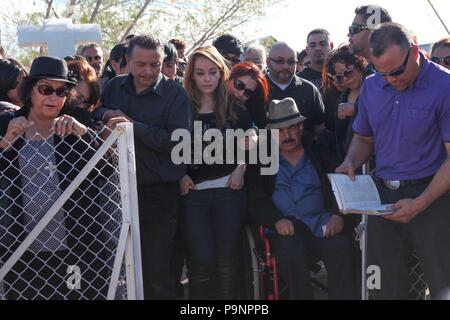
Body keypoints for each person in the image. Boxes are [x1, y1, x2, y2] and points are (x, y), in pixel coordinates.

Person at [336, 23, 450, 300]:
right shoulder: (372, 86)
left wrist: (420, 202)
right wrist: (350, 161)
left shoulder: (445, 85)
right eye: (381, 72)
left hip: (433, 198)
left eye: (397, 71)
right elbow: (364, 138)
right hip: (383, 199)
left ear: (414, 51)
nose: (391, 79)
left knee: (442, 285)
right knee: (382, 287)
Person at [94, 34, 192, 300]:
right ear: (127, 61)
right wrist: (104, 115)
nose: (148, 71)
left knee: (157, 271)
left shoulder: (175, 93)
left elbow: (178, 142)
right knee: (117, 268)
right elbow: (92, 111)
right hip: (116, 193)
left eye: (155, 64)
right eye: (140, 64)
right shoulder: (113, 87)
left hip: (159, 195)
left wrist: (132, 127)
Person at [0, 56, 107, 299]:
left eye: (61, 91)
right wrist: (4, 143)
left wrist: (84, 134)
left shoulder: (78, 122)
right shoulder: (6, 123)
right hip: (23, 247)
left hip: (75, 246)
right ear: (30, 91)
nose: (53, 97)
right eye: (46, 89)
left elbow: (107, 170)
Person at [247, 98, 356, 300]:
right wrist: (275, 220)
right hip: (284, 228)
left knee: (341, 246)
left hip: (321, 223)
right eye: (280, 131)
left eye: (291, 128)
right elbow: (256, 199)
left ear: (300, 126)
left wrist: (337, 215)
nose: (287, 135)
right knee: (290, 251)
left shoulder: (319, 151)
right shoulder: (262, 160)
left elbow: (342, 185)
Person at [180, 46, 253, 300]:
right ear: (191, 76)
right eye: (200, 73)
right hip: (193, 195)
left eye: (212, 72)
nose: (207, 78)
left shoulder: (234, 108)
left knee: (227, 261)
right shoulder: (181, 108)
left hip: (228, 192)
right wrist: (180, 174)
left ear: (221, 74)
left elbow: (251, 140)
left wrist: (241, 167)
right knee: (200, 262)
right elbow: (168, 146)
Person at [266, 42, 326, 134]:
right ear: (268, 62)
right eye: (279, 61)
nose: (286, 66)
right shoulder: (255, 88)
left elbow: (320, 128)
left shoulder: (309, 90)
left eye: (291, 61)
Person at [331, 49, 368, 160]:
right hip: (348, 159)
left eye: (348, 71)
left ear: (360, 64)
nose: (346, 78)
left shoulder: (373, 88)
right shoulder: (342, 96)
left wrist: (355, 109)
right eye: (340, 76)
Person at [227, 61, 269, 128]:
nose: (241, 94)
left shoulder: (245, 115)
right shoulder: (209, 94)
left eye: (248, 93)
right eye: (239, 85)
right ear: (229, 78)